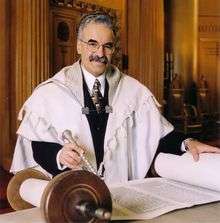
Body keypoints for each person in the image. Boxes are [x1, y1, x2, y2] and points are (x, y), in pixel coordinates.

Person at [10, 12, 220, 183]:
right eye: (92, 44)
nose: (100, 53)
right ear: (78, 46)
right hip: (71, 192)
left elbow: (157, 135)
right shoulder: (51, 92)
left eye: (107, 46)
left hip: (119, 190)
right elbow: (38, 144)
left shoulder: (133, 91)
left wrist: (187, 142)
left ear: (113, 49)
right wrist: (59, 155)